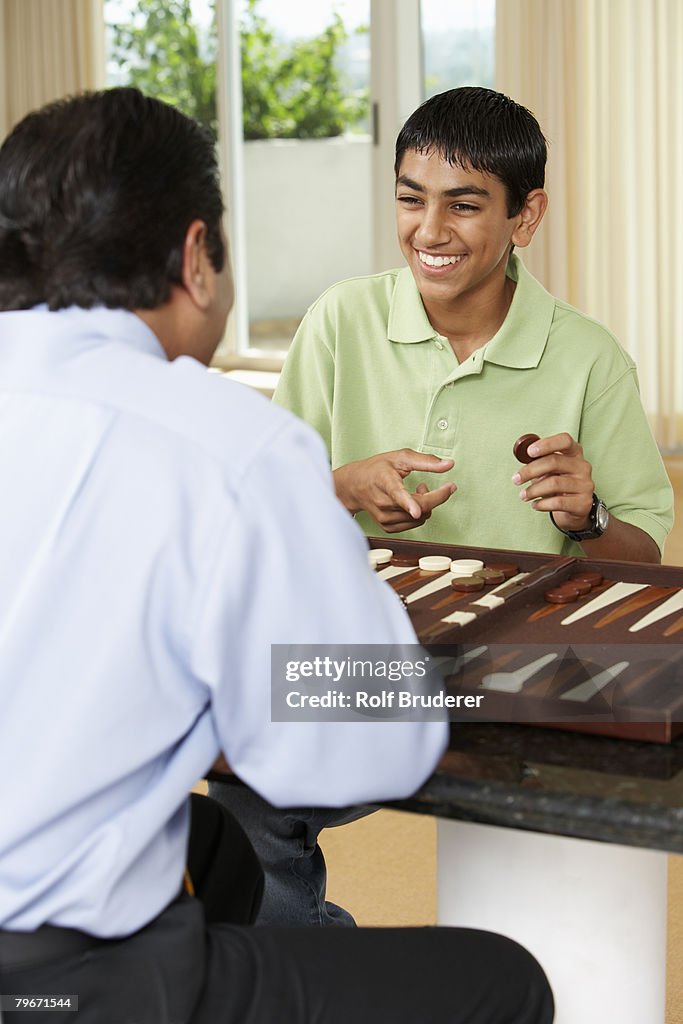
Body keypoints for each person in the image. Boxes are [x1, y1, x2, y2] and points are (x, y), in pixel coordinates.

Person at [0, 88, 554, 1024]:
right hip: (50, 983)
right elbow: (356, 749)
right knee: (502, 983)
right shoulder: (225, 443)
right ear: (195, 258)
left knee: (212, 845)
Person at [211, 86, 674, 924]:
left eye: (463, 206)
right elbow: (255, 518)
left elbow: (645, 564)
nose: (429, 231)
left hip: (522, 677)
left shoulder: (587, 358)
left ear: (524, 217)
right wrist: (340, 486)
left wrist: (590, 518)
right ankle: (312, 973)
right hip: (359, 662)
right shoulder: (338, 321)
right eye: (410, 200)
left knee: (592, 829)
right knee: (235, 792)